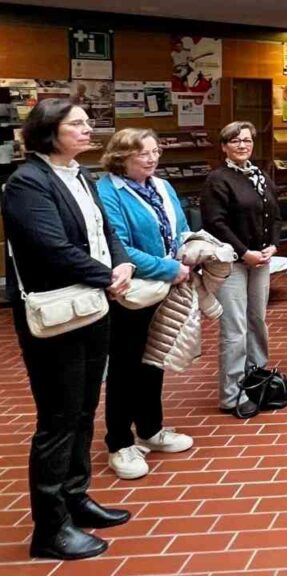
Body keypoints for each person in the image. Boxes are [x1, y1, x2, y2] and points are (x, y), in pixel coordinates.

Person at [1, 99, 134, 560]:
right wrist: (107, 276)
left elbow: (104, 230)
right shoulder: (26, 183)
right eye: (76, 124)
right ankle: (49, 528)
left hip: (92, 307)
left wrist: (122, 263)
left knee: (83, 408)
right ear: (48, 131)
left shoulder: (81, 175)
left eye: (86, 122)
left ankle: (76, 498)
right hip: (55, 314)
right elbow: (49, 246)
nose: (86, 129)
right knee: (57, 418)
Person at [96, 129, 194, 479]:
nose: (152, 159)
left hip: (167, 287)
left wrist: (192, 250)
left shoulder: (162, 186)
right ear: (122, 156)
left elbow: (180, 228)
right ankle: (120, 443)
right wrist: (171, 268)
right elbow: (118, 247)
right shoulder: (107, 192)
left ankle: (151, 429)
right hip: (133, 292)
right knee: (124, 366)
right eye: (143, 154)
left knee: (155, 360)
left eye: (156, 151)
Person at [201, 121, 281, 418]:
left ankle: (256, 379)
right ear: (224, 146)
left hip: (261, 259)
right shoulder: (218, 180)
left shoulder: (259, 175)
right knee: (235, 328)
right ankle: (231, 394)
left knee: (257, 320)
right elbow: (215, 223)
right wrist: (243, 252)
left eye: (246, 140)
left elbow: (274, 214)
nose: (242, 145)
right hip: (232, 262)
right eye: (235, 141)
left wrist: (273, 245)